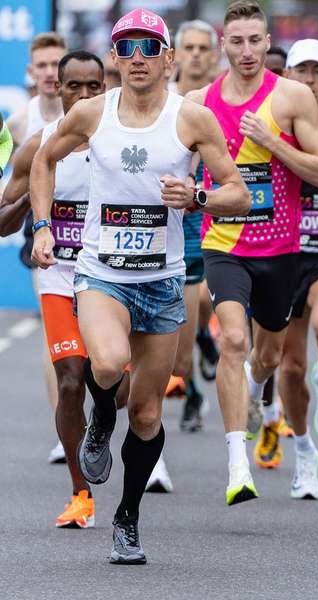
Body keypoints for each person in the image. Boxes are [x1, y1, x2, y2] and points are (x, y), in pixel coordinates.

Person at [30, 8, 250, 564]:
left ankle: (126, 519)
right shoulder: (91, 112)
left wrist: (196, 198)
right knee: (104, 364)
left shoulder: (191, 120)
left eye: (149, 47)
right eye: (125, 47)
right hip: (101, 271)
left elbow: (239, 194)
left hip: (162, 280)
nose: (136, 57)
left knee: (149, 415)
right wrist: (41, 226)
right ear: (112, 57)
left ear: (168, 58)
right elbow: (42, 160)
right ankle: (101, 421)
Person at [186, 0, 318, 506]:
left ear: (268, 43)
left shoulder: (292, 97)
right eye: (237, 41)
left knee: (268, 355)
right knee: (231, 339)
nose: (246, 51)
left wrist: (275, 142)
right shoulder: (200, 101)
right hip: (224, 243)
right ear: (223, 45)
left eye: (255, 40)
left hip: (281, 248)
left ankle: (252, 384)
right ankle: (236, 464)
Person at [0, 50, 113, 528]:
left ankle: (99, 428)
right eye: (75, 87)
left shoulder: (124, 140)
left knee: (111, 383)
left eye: (94, 86)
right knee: (69, 382)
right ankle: (80, 494)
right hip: (59, 275)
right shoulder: (38, 144)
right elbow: (4, 221)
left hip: (114, 277)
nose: (85, 95)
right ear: (57, 89)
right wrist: (33, 201)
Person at [252, 39, 318, 484]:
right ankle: (303, 450)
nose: (311, 79)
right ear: (287, 76)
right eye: (302, 71)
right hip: (283, 254)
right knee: (287, 366)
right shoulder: (268, 127)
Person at [6, 32, 67, 465]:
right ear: (32, 73)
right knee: (55, 339)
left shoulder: (87, 112)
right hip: (42, 234)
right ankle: (64, 429)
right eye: (42, 66)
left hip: (95, 232)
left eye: (56, 65)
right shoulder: (20, 123)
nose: (50, 73)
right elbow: (7, 190)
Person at [169, 19, 221, 437]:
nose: (197, 54)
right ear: (177, 54)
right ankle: (192, 390)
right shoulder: (162, 100)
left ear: (214, 54)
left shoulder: (224, 102)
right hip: (179, 221)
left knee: (204, 299)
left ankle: (203, 335)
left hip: (220, 215)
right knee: (178, 349)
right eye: (189, 47)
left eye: (204, 47)